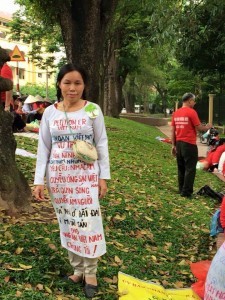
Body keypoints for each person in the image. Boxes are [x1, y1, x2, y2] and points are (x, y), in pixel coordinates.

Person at [33, 63, 110, 298]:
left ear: (84, 85)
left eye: (78, 83)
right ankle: (77, 270)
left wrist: (103, 177)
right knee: (67, 224)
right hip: (59, 180)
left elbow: (102, 143)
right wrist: (39, 181)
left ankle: (91, 273)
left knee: (88, 224)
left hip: (86, 180)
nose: (72, 88)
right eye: (67, 82)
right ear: (59, 84)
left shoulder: (93, 110)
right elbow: (44, 147)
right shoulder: (50, 112)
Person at [171, 92, 211, 198]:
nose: (194, 103)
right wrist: (207, 126)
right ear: (189, 101)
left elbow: (173, 130)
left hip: (179, 144)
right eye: (193, 100)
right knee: (190, 168)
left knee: (181, 168)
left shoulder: (176, 113)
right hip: (189, 144)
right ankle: (187, 192)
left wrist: (173, 145)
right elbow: (199, 128)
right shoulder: (191, 112)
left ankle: (181, 190)